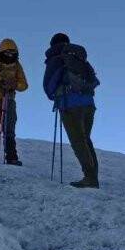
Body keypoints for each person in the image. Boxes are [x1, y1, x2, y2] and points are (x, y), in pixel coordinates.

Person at [43, 33, 100, 188]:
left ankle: (90, 178)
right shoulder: (80, 59)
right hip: (89, 104)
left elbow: (48, 86)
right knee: (86, 139)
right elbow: (94, 80)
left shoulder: (56, 59)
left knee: (78, 141)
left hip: (70, 104)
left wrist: (56, 95)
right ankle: (93, 176)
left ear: (52, 44)